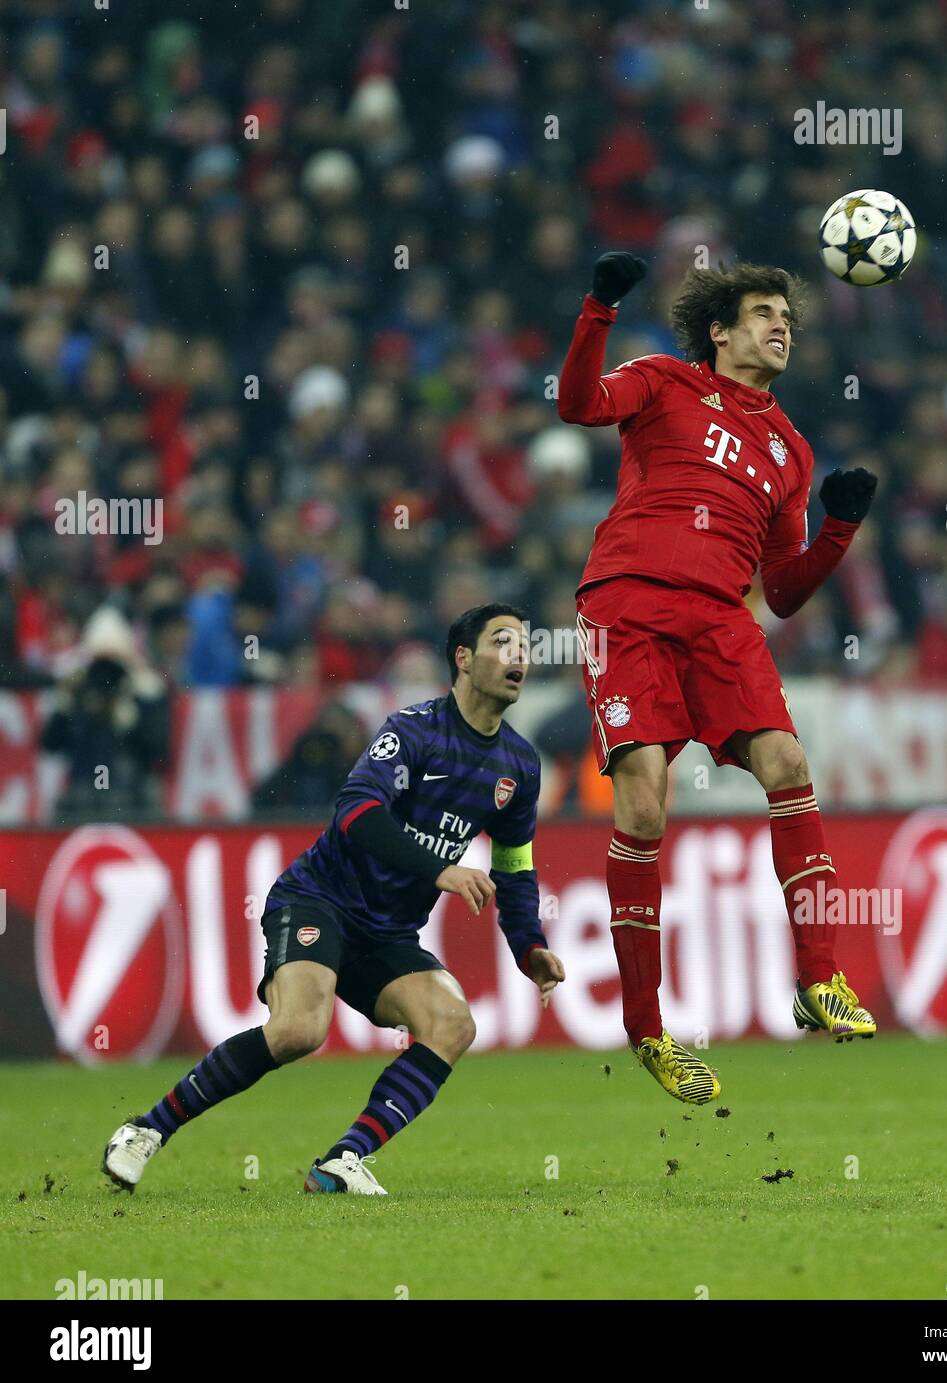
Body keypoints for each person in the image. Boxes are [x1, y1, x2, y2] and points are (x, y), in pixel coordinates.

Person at [558, 252, 879, 1104]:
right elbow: (577, 404)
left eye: (788, 318)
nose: (781, 328)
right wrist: (599, 307)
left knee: (788, 769)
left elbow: (779, 590)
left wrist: (838, 530)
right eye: (765, 314)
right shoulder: (662, 381)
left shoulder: (790, 450)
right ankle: (647, 1028)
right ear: (721, 330)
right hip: (628, 603)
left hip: (720, 619)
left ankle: (819, 980)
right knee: (642, 804)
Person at [103, 605, 565, 1195]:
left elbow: (515, 866)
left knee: (452, 1024)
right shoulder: (415, 730)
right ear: (464, 659)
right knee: (299, 1029)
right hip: (319, 899)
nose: (520, 655)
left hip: (387, 935)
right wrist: (440, 868)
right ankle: (145, 1130)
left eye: (526, 645)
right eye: (503, 642)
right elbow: (356, 811)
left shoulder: (520, 765)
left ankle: (342, 1161)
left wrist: (529, 946)